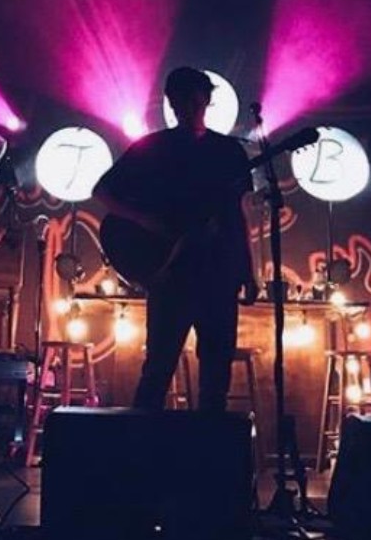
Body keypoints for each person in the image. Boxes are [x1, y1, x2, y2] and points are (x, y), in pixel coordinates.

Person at [94, 67, 258, 412]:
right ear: (172, 103)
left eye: (197, 102)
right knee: (158, 368)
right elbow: (102, 191)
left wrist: (248, 270)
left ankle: (204, 446)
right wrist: (144, 220)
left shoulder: (228, 151)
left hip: (217, 272)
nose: (191, 109)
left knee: (216, 374)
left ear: (207, 101)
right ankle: (143, 444)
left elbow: (238, 213)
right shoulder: (152, 148)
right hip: (171, 274)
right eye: (184, 102)